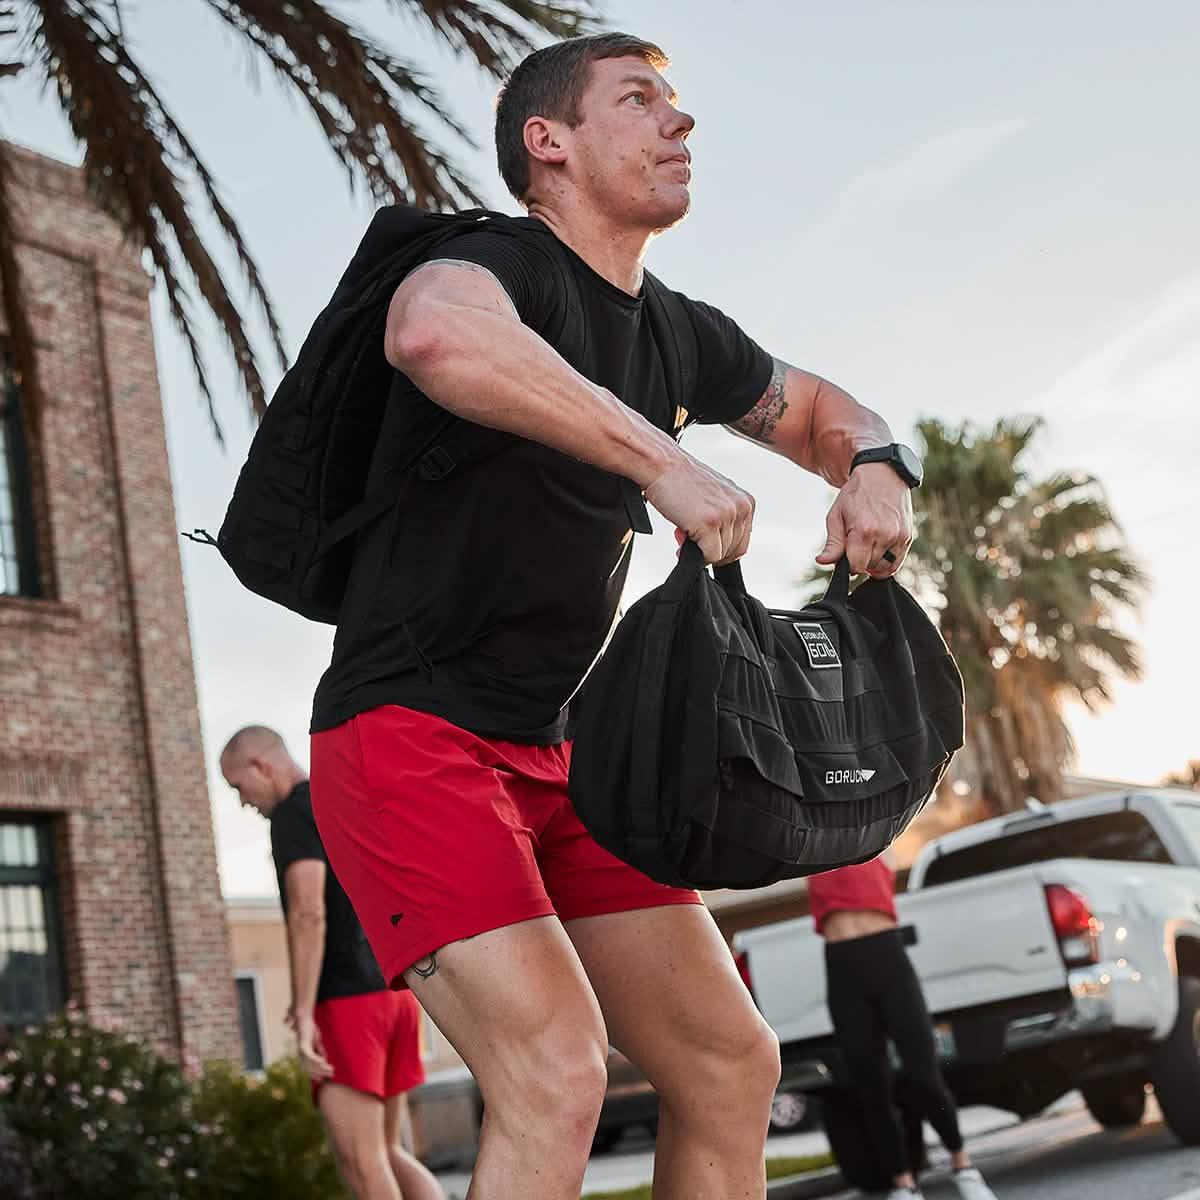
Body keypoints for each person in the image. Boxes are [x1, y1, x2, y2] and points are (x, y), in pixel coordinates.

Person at [307, 32, 919, 1200]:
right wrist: (661, 463)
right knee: (555, 1070)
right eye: (640, 101)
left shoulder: (678, 331)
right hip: (410, 736)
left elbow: (828, 410)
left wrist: (876, 467)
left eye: (679, 104)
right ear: (550, 144)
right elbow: (431, 333)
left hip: (566, 754)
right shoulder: (491, 262)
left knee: (733, 1065)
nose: (679, 123)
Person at [220, 726, 445, 1200]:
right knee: (388, 1153)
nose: (242, 802)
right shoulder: (342, 798)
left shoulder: (292, 815)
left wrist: (303, 1012)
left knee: (362, 1166)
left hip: (348, 1003)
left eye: (238, 787)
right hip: (396, 991)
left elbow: (308, 912)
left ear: (262, 766)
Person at [809, 856, 999, 1200]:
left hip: (888, 958)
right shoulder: (812, 842)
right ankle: (904, 1185)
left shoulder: (873, 833)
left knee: (924, 1075)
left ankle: (964, 1167)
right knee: (872, 1088)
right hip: (842, 969)